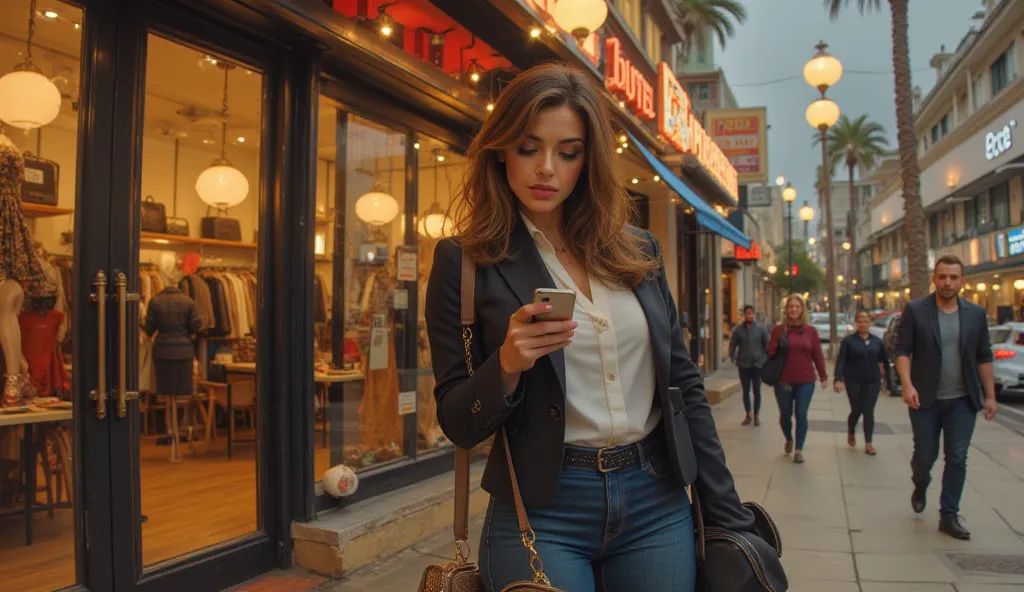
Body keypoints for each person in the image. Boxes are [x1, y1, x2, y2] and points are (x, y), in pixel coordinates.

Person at [424, 62, 761, 592]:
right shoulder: (464, 261)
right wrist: (508, 365)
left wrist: (725, 509)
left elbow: (683, 384)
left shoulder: (637, 249)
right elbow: (457, 420)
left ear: (589, 159)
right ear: (501, 151)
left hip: (657, 497)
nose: (546, 169)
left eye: (568, 152)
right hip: (541, 508)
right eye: (528, 147)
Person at [894, 255, 998, 540]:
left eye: (953, 277)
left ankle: (949, 515)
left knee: (957, 457)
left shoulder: (976, 314)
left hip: (963, 401)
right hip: (924, 400)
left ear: (962, 281)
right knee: (925, 457)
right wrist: (907, 384)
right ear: (934, 278)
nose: (947, 282)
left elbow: (984, 356)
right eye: (942, 277)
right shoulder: (916, 310)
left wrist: (990, 396)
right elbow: (902, 350)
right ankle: (921, 482)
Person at [768, 294, 827, 464]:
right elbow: (770, 352)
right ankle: (788, 437)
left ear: (802, 310)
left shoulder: (811, 331)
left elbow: (817, 354)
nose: (794, 309)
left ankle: (799, 449)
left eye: (797, 307)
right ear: (786, 310)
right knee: (785, 414)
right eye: (791, 307)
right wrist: (777, 345)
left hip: (806, 379)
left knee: (801, 413)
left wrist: (823, 376)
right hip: (783, 380)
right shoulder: (778, 330)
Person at [834, 310, 888, 456]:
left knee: (868, 410)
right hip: (854, 380)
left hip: (872, 381)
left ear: (870, 323)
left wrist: (887, 381)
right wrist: (837, 379)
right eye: (860, 322)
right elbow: (841, 361)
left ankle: (869, 443)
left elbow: (884, 360)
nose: (863, 324)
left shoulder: (877, 341)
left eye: (866, 321)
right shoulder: (849, 341)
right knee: (857, 409)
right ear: (856, 323)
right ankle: (851, 429)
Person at [728, 304, 769, 426]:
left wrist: (764, 360)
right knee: (746, 391)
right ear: (744, 315)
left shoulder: (761, 329)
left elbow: (767, 346)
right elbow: (732, 345)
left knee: (757, 391)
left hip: (757, 364)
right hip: (743, 364)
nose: (749, 315)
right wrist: (733, 357)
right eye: (747, 313)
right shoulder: (738, 330)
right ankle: (748, 414)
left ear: (754, 315)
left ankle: (756, 415)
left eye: (751, 313)